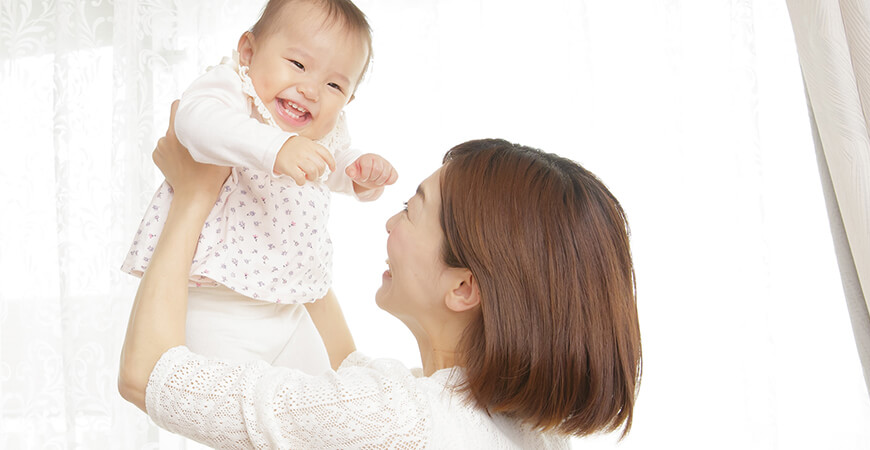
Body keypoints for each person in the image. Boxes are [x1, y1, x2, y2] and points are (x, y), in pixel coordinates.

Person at [117, 102, 643, 448]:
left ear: (464, 287)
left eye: (412, 210)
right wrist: (280, 202)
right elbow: (351, 374)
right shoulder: (532, 431)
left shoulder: (393, 418)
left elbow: (148, 376)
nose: (390, 223)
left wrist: (194, 194)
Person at [121, 0, 396, 376]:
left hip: (290, 308)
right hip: (220, 303)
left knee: (318, 398)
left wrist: (358, 173)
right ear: (249, 51)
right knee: (230, 400)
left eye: (334, 85)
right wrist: (276, 148)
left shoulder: (319, 132)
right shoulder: (234, 90)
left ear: (348, 99)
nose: (311, 90)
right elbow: (195, 122)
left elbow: (330, 164)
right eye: (298, 64)